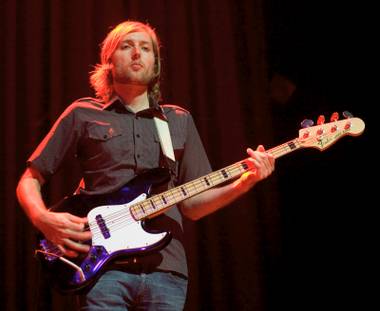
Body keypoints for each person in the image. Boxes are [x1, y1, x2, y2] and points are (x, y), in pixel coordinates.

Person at [16, 20, 275, 310]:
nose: (137, 53)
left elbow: (193, 205)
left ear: (157, 63)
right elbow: (30, 178)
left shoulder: (177, 121)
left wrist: (245, 183)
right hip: (102, 271)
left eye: (146, 48)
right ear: (109, 61)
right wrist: (41, 218)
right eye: (127, 46)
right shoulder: (83, 113)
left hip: (167, 271)